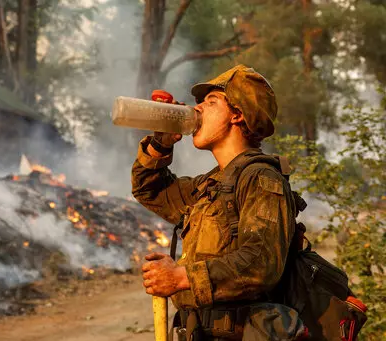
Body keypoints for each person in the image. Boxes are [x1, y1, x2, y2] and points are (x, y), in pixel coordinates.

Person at [131, 64, 307, 340]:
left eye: (211, 102)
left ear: (237, 115)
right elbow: (150, 191)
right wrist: (160, 144)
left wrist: (180, 277)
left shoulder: (261, 178)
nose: (197, 109)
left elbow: (260, 263)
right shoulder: (210, 185)